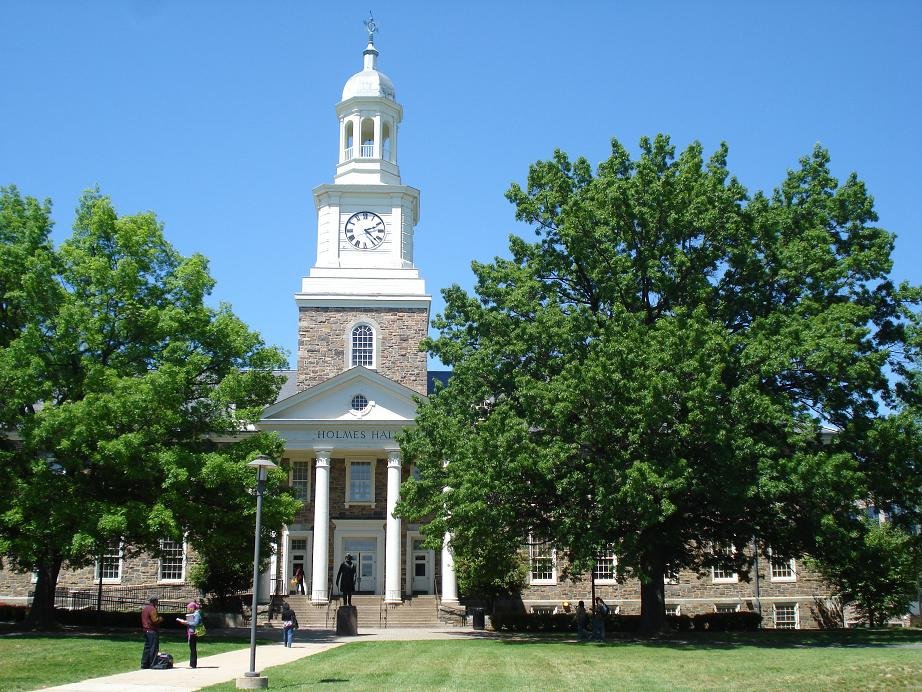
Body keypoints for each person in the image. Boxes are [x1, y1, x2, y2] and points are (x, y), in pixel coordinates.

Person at [176, 601, 202, 668]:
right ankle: (192, 664)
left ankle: (193, 664)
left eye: (189, 608)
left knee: (193, 648)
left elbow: (195, 623)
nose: (189, 610)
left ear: (192, 607)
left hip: (193, 633)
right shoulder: (194, 614)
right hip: (191, 632)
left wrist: (187, 622)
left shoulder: (196, 614)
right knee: (192, 648)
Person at [140, 596, 163, 669]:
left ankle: (144, 664)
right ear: (155, 601)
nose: (157, 603)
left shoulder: (145, 608)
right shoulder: (152, 609)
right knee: (154, 647)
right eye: (157, 601)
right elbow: (155, 620)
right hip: (152, 630)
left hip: (145, 630)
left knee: (147, 647)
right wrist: (160, 619)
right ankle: (153, 664)